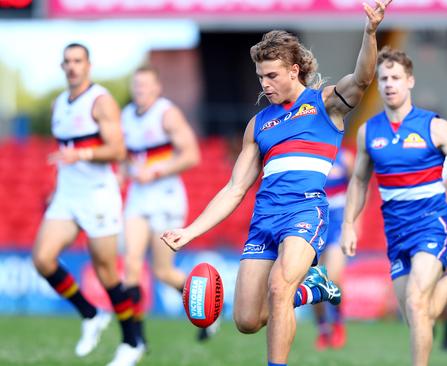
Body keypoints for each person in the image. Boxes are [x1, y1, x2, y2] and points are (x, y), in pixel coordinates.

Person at [160, 2, 392, 365]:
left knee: (280, 287)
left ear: (294, 71)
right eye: (260, 78)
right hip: (264, 220)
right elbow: (234, 189)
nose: (265, 84)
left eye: (271, 76)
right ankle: (313, 287)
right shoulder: (258, 125)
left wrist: (370, 31)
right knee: (248, 320)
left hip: (304, 211)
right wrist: (190, 232)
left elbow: (362, 79)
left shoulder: (325, 103)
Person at [341, 46, 447, 366]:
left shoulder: (435, 127)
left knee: (416, 303)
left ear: (409, 81)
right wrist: (347, 224)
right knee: (418, 316)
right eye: (383, 78)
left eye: (396, 77)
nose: (389, 83)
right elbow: (358, 181)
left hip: (432, 222)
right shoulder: (369, 132)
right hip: (395, 230)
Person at [31, 43, 144, 366]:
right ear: (62, 66)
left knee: (107, 272)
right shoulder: (59, 104)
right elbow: (65, 150)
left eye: (78, 61)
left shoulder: (100, 101)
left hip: (97, 195)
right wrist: (57, 187)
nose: (72, 66)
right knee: (42, 259)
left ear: (88, 65)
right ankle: (91, 314)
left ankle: (131, 341)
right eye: (67, 61)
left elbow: (118, 151)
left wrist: (81, 154)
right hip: (67, 194)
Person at [120, 66, 215, 347]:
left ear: (157, 88)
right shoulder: (126, 115)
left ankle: (206, 304)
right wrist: (124, 171)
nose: (141, 91)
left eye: (146, 86)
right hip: (138, 197)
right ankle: (135, 338)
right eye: (136, 86)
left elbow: (192, 155)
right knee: (132, 266)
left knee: (162, 272)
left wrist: (157, 171)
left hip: (166, 197)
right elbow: (128, 157)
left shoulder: (167, 113)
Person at [314, 147, 354, 350]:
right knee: (314, 281)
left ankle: (337, 322)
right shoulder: (311, 154)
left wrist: (355, 224)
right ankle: (322, 328)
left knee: (334, 277)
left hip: (337, 222)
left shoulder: (345, 157)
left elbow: (358, 188)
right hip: (315, 223)